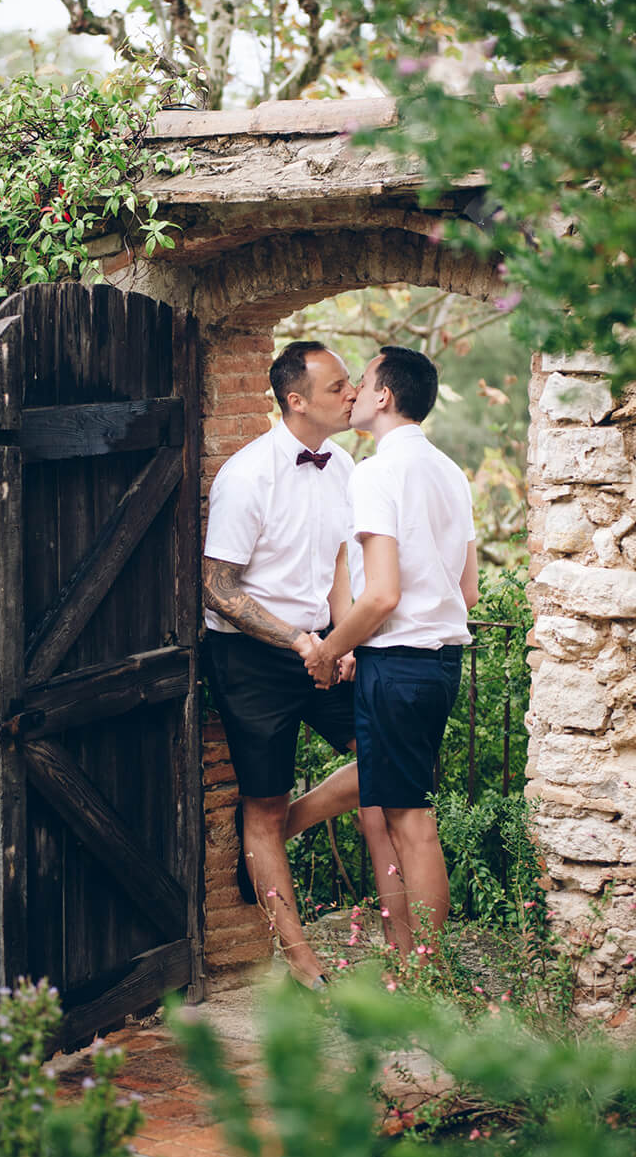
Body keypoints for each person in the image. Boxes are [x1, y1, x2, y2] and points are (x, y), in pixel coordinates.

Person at [202, 340, 403, 987]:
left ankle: (290, 826)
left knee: (389, 756)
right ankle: (303, 963)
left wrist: (339, 643)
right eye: (339, 386)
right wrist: (298, 640)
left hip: (320, 642)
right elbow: (218, 586)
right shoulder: (246, 476)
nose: (353, 394)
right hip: (252, 656)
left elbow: (342, 565)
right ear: (297, 400)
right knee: (261, 803)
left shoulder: (343, 465)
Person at [306, 346, 478, 954]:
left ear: (384, 396)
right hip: (440, 664)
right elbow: (469, 589)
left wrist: (330, 649)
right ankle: (407, 964)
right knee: (393, 813)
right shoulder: (450, 472)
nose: (354, 391)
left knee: (411, 824)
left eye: (363, 380)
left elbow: (380, 595)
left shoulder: (378, 473)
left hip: (398, 666)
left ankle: (427, 978)